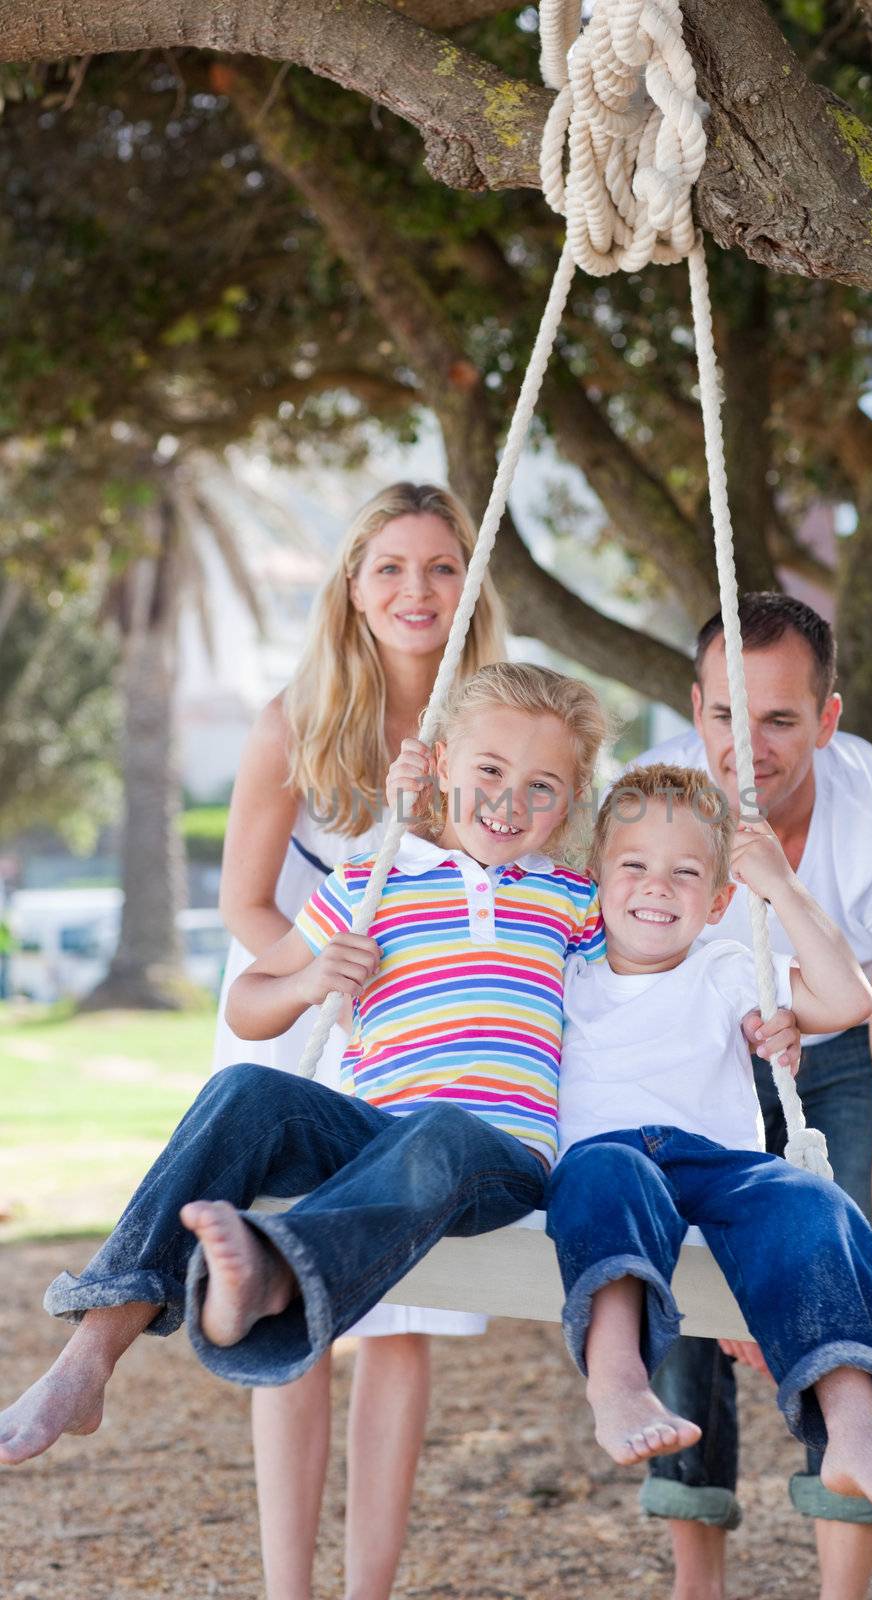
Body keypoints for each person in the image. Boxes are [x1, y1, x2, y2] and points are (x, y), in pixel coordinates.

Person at [0, 664, 606, 1470]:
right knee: (247, 1090)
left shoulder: (575, 898)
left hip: (495, 1156)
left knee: (437, 1128)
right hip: (374, 1133)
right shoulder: (368, 881)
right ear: (438, 765)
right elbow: (248, 1002)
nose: (507, 801)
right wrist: (309, 980)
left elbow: (657, 983)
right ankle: (86, 1361)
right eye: (489, 770)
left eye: (542, 786)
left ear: (570, 802)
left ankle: (276, 1269)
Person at [212, 481, 507, 1600]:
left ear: (469, 586)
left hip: (427, 1026)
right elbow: (245, 907)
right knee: (289, 1291)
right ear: (352, 583)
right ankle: (289, 1588)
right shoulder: (295, 721)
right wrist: (308, 970)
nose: (415, 590)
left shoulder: (489, 728)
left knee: (397, 1316)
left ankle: (365, 1590)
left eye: (440, 567)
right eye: (389, 566)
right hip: (299, 1015)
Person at [634, 595, 872, 1600]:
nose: (749, 746)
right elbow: (631, 1029)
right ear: (697, 708)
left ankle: (841, 1589)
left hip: (848, 1054)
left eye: (780, 719)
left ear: (825, 718)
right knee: (682, 1292)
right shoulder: (646, 814)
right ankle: (698, 1582)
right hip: (707, 1062)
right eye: (728, 715)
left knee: (852, 1314)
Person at [547, 763, 872, 1521]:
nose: (656, 887)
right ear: (596, 878)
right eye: (633, 866)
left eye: (685, 872)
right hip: (607, 1163)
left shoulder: (728, 968)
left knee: (807, 1200)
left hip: (715, 1166)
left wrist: (783, 889)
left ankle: (852, 1429)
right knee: (605, 1173)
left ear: (721, 898)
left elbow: (847, 999)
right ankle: (618, 1381)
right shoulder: (561, 972)